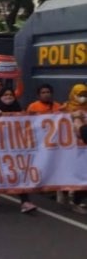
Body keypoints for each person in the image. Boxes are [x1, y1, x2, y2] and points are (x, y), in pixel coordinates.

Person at [0, 87, 37, 213]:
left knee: (19, 172)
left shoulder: (18, 109)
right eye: (6, 94)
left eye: (11, 94)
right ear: (0, 96)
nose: (9, 96)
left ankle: (25, 201)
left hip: (15, 147)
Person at [64, 83, 87, 214]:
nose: (83, 98)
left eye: (85, 95)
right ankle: (68, 196)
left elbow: (81, 132)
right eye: (80, 95)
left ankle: (77, 199)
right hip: (72, 149)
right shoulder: (65, 108)